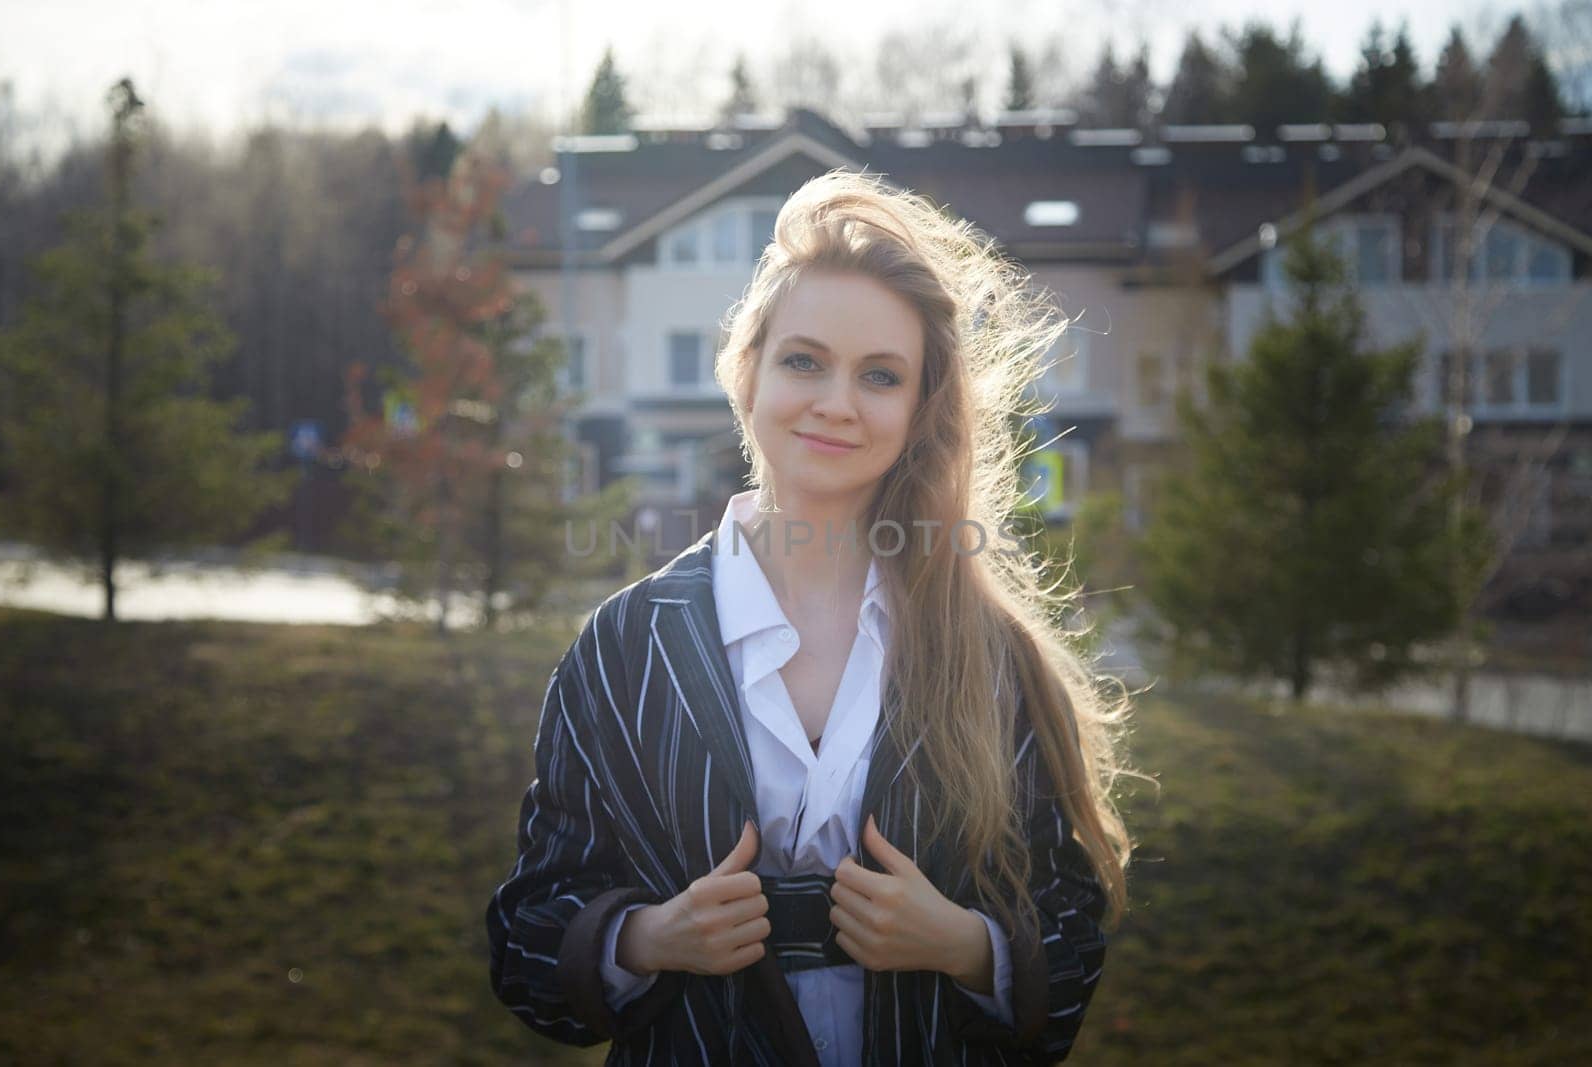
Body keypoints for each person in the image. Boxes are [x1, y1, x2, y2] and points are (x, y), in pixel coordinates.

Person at [486, 167, 1139, 1065]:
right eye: (804, 360)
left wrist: (961, 943)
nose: (836, 402)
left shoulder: (988, 656)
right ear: (745, 371)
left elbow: (1071, 943)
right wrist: (647, 938)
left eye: (879, 375)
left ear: (917, 412)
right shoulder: (622, 651)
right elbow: (524, 943)